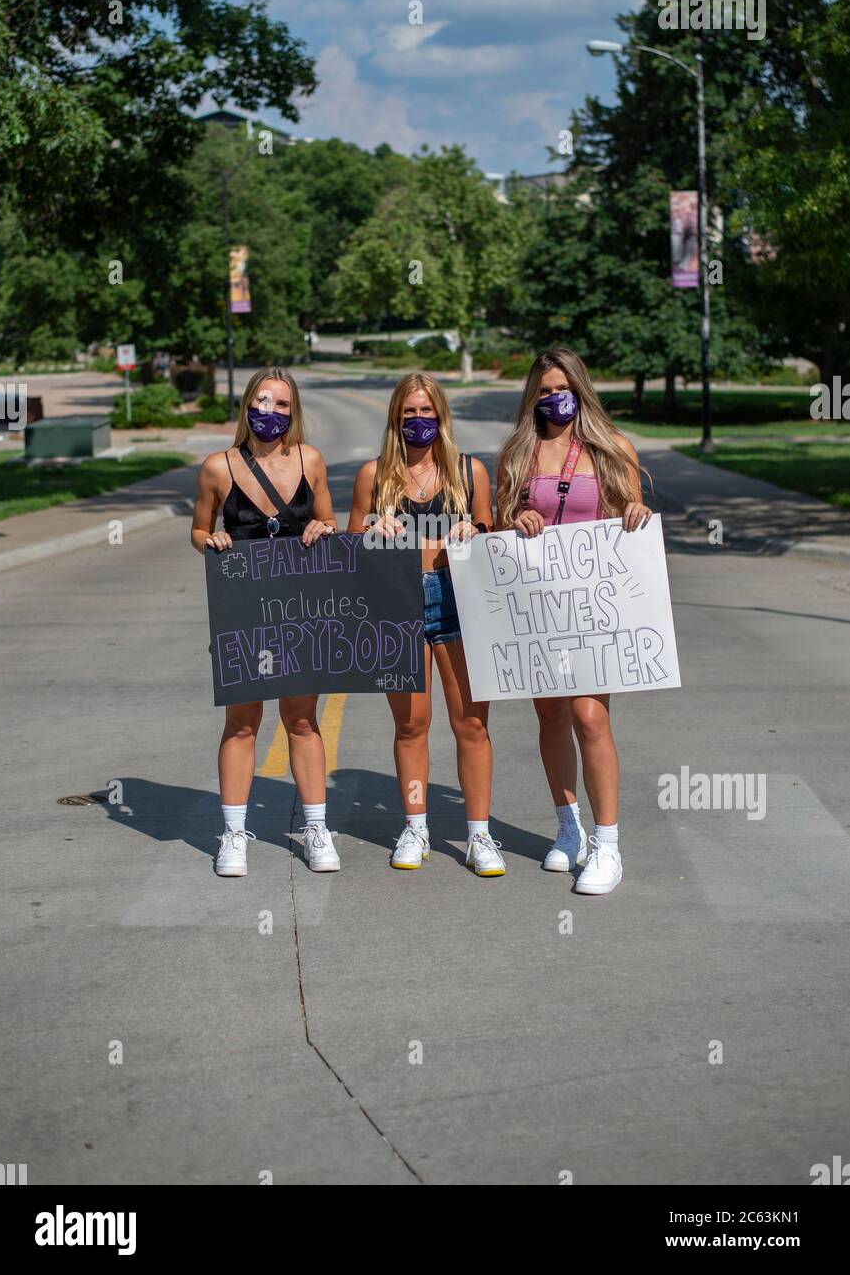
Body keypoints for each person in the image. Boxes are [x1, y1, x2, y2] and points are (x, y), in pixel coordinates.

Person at [495, 348, 652, 894]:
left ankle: (608, 846)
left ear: (580, 389)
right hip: (539, 607)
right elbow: (497, 523)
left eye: (561, 387)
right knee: (552, 718)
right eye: (542, 391)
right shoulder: (520, 453)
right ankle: (569, 829)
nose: (552, 398)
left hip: (593, 608)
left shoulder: (612, 449)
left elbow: (631, 518)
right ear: (532, 398)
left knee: (590, 717)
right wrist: (516, 517)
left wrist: (635, 512)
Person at [347, 373, 502, 876]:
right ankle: (415, 826)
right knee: (411, 725)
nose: (419, 420)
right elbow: (351, 541)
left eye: (427, 411)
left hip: (459, 602)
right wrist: (375, 527)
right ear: (396, 417)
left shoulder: (468, 470)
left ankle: (480, 835)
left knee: (472, 723)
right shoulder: (375, 475)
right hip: (399, 605)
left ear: (441, 415)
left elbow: (489, 528)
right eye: (409, 413)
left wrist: (473, 529)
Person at [191, 367, 339, 877]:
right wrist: (209, 540)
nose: (269, 412)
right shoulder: (218, 467)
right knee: (241, 724)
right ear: (246, 406)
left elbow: (329, 520)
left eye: (280, 404)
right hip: (243, 609)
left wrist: (322, 525)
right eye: (261, 401)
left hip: (299, 611)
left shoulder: (310, 459)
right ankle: (233, 834)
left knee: (301, 720)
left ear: (292, 411)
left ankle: (316, 827)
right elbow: (198, 528)